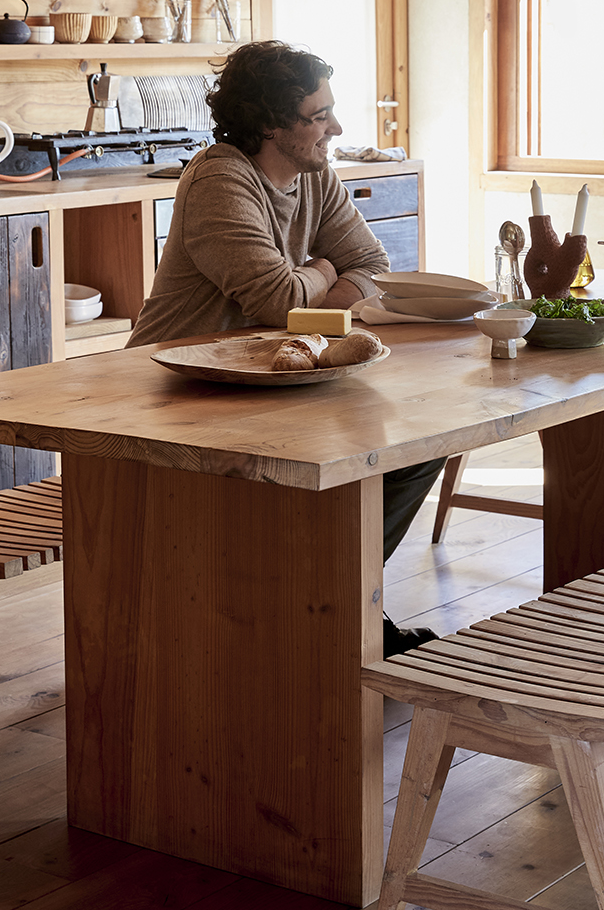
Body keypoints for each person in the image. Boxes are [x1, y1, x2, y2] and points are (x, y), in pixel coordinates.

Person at [129, 39, 444, 654]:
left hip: (272, 376)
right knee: (363, 458)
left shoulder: (315, 176)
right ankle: (320, 614)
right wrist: (326, 273)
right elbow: (277, 301)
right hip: (180, 388)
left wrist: (315, 283)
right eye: (319, 115)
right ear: (271, 123)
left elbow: (376, 264)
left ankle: (331, 603)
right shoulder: (221, 177)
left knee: (416, 447)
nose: (338, 127)